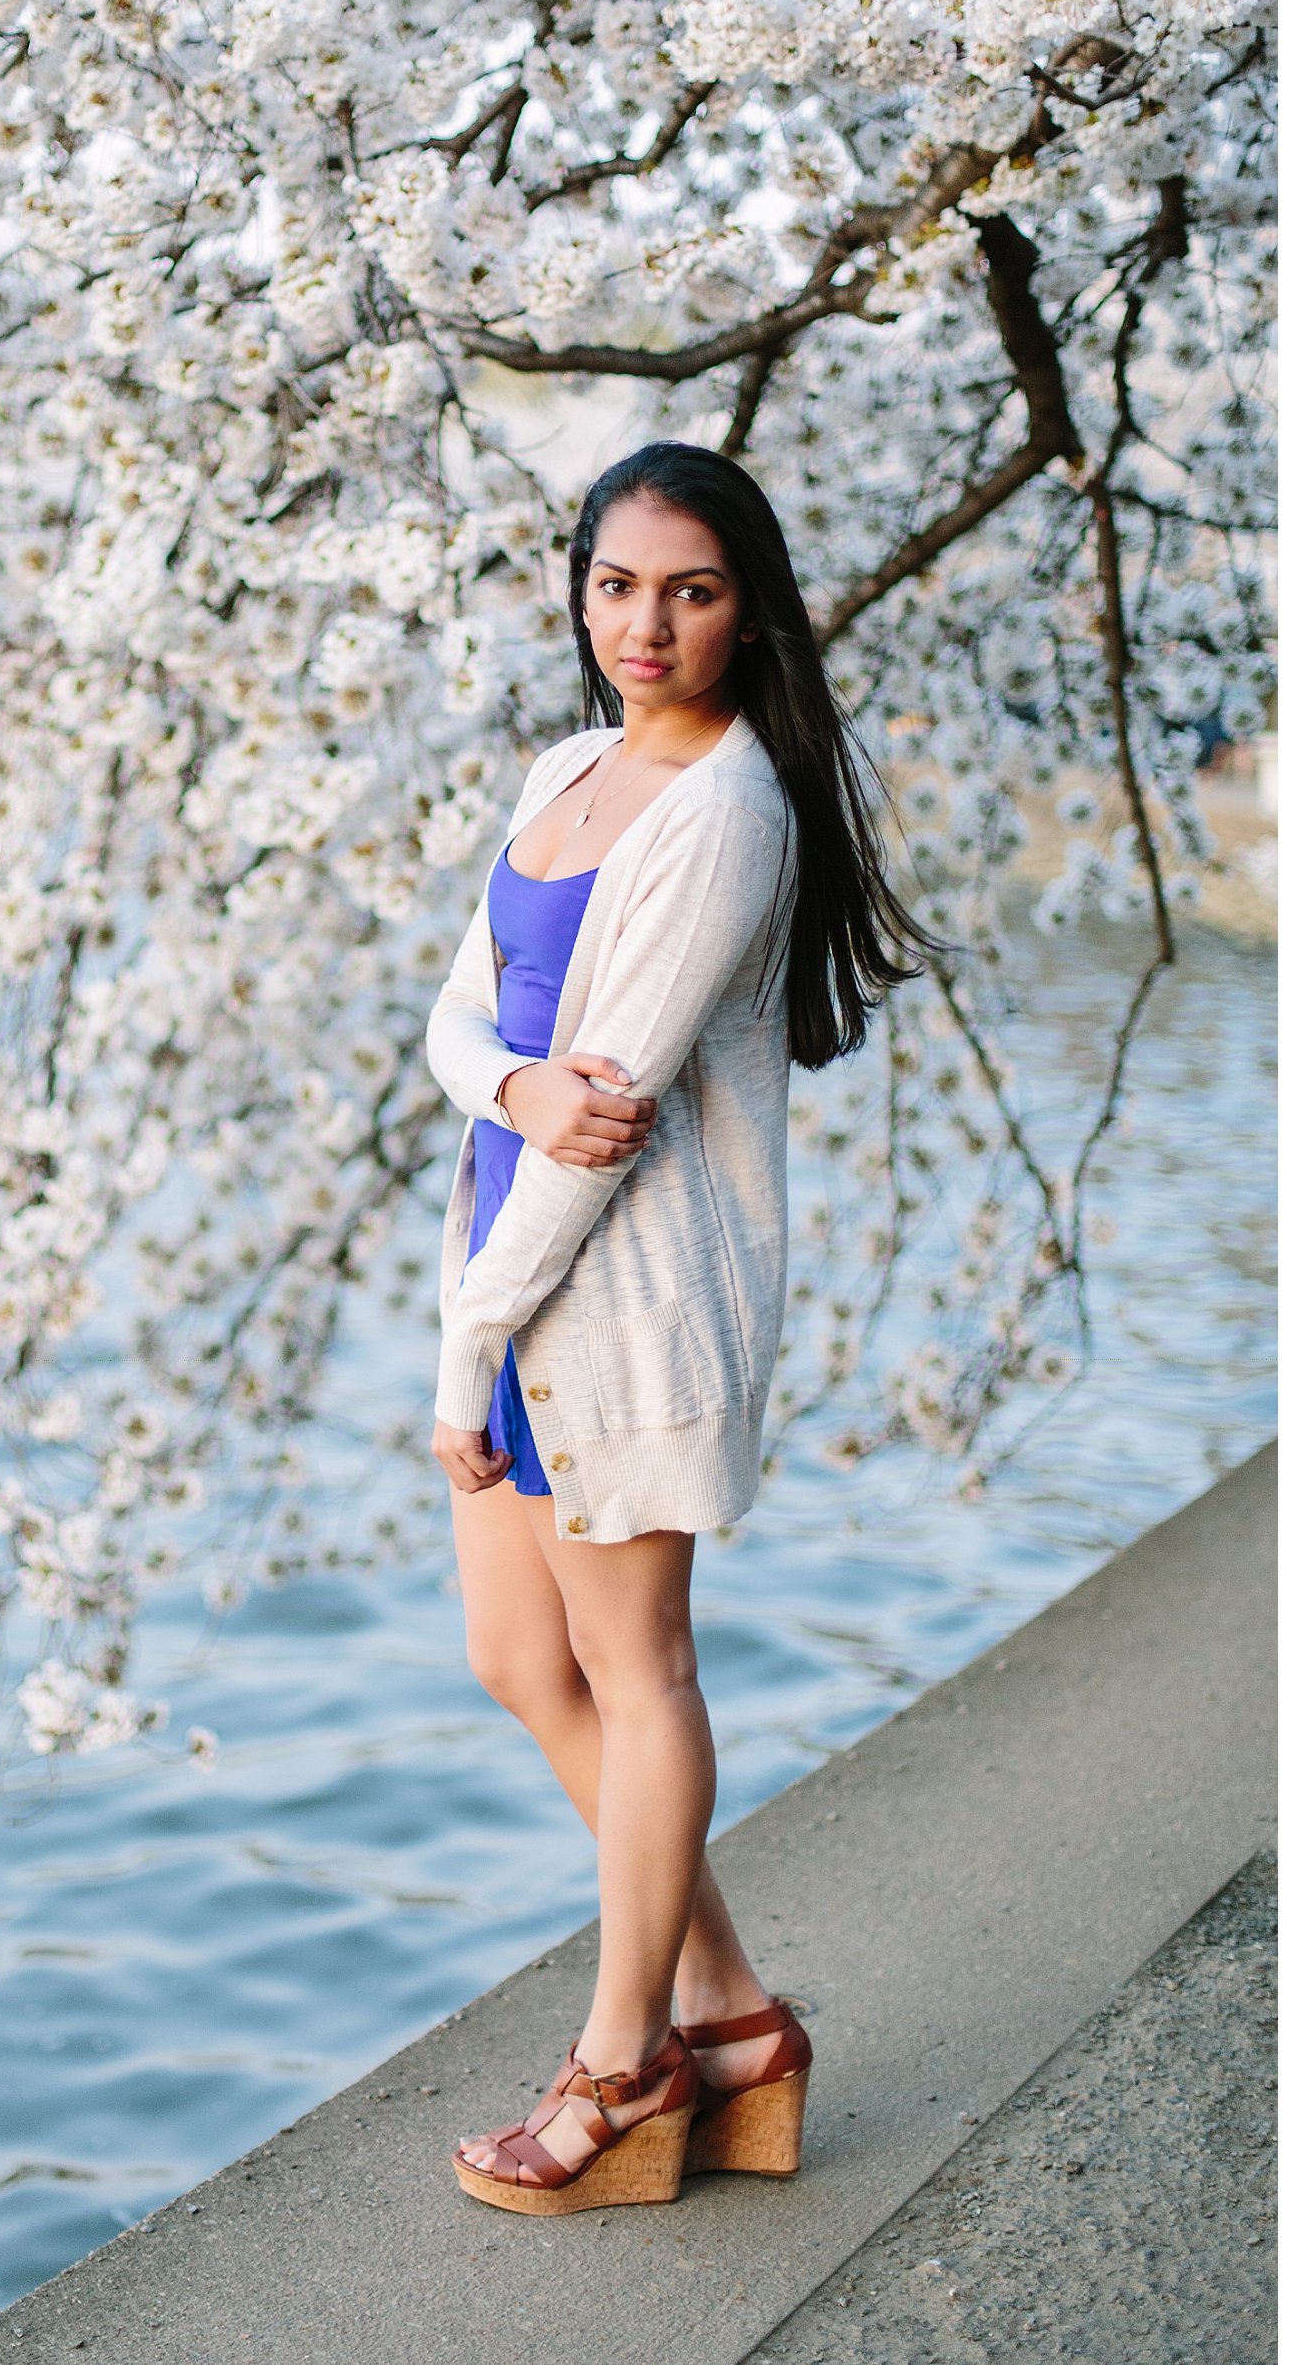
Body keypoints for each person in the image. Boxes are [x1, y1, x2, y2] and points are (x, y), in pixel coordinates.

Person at [425, 440, 922, 2215]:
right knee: (517, 1657)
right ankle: (731, 2014)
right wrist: (506, 1080)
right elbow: (457, 1026)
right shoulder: (568, 767)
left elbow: (602, 1124)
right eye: (620, 583)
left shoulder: (730, 812)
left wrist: (475, 1339)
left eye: (693, 590)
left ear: (750, 610)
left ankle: (623, 2059)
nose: (649, 621)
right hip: (499, 1277)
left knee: (637, 1669)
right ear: (580, 588)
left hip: (608, 1307)